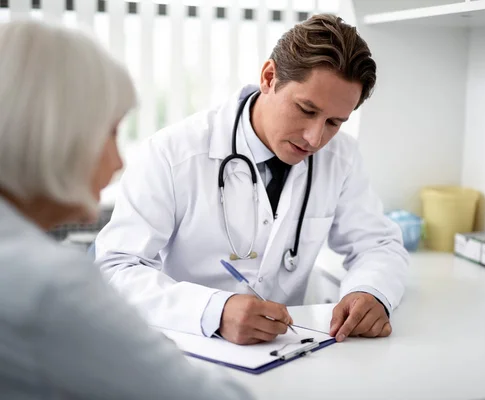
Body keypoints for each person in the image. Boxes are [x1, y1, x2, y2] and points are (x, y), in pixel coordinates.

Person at [95, 14, 409, 346]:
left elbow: (378, 245)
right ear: (269, 77)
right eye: (306, 110)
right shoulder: (173, 153)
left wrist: (370, 291)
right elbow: (115, 268)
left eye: (334, 122)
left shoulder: (341, 158)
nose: (315, 138)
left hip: (285, 354)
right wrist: (213, 311)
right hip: (187, 349)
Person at [0, 20, 251, 400]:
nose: (118, 162)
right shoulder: (49, 285)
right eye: (111, 131)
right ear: (54, 132)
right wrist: (148, 353)